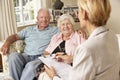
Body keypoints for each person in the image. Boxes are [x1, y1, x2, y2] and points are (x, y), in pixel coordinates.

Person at [44, 0, 120, 80]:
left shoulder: (86, 48)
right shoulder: (112, 36)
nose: (77, 14)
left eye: (79, 10)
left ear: (84, 14)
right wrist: (71, 58)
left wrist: (54, 76)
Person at [0, 8, 59, 80]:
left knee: (30, 66)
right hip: (26, 56)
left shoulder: (55, 30)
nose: (44, 19)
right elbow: (15, 36)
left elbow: (67, 32)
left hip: (40, 57)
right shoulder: (29, 29)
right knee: (13, 57)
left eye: (46, 17)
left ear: (50, 19)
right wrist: (7, 43)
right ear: (37, 19)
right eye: (41, 17)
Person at [37, 14, 85, 80]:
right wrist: (53, 56)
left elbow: (85, 56)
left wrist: (69, 57)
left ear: (73, 25)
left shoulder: (79, 37)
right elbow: (46, 52)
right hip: (54, 67)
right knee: (43, 75)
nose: (65, 26)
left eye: (68, 24)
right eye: (63, 24)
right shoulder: (55, 37)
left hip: (70, 69)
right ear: (59, 27)